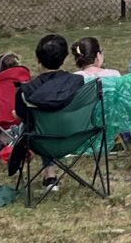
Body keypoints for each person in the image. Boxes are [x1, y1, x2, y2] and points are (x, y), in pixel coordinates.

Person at [15, 34, 86, 191]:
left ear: (38, 59)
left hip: (42, 141)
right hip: (76, 136)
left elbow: (21, 116)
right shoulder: (77, 82)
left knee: (35, 126)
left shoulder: (27, 90)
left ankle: (49, 174)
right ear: (64, 58)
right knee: (49, 122)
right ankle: (50, 176)